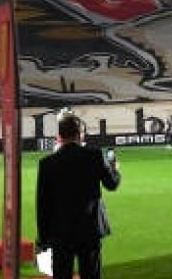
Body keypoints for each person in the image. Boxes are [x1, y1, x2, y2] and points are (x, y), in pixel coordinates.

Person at [36, 112, 120, 279]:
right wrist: (115, 169)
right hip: (89, 229)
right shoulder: (95, 156)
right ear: (80, 134)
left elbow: (43, 204)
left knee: (61, 274)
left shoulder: (47, 164)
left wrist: (44, 238)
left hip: (60, 232)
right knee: (91, 275)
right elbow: (112, 184)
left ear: (60, 135)